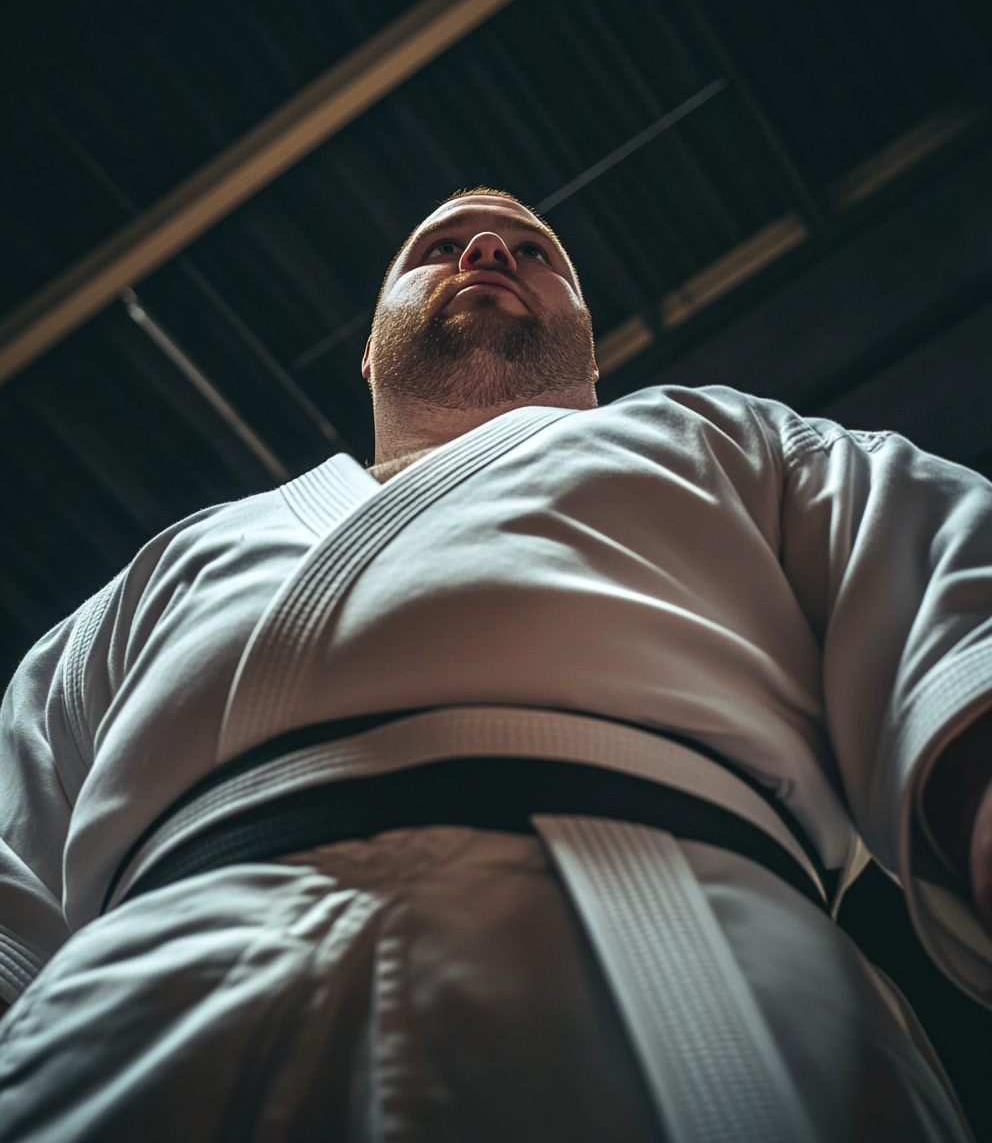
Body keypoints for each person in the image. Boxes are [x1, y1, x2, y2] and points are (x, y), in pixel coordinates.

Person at [0, 187, 990, 1142]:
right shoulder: (158, 573)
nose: (485, 252)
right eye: (438, 248)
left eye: (532, 252)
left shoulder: (735, 442)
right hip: (132, 1011)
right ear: (367, 350)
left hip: (686, 949)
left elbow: (948, 611)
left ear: (588, 343)